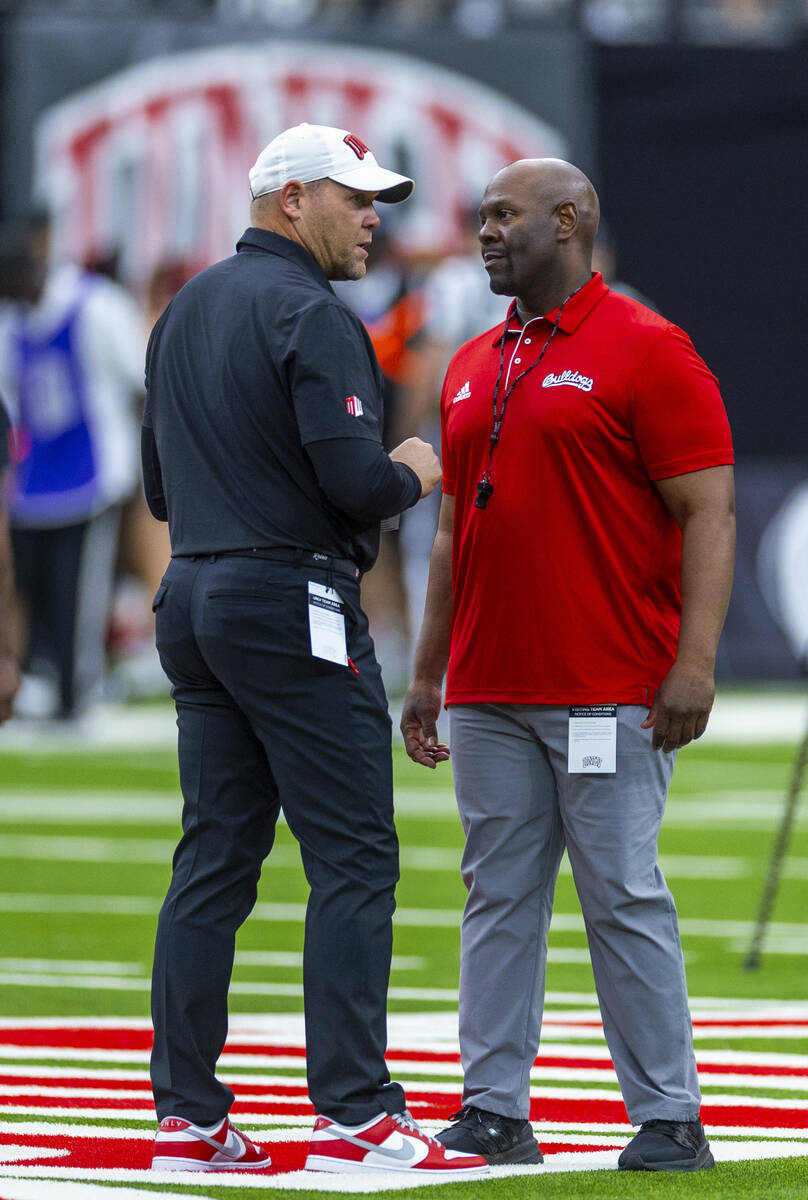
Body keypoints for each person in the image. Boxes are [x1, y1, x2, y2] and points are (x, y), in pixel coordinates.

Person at [142, 122, 488, 1179]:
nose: (373, 216)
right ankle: (355, 1115)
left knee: (212, 861)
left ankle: (188, 1118)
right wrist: (416, 471)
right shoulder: (309, 311)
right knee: (353, 854)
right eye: (354, 196)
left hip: (191, 592)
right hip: (287, 595)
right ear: (292, 198)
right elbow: (355, 483)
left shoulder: (185, 309)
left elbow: (159, 492)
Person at [401, 158, 735, 1173]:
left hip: (609, 685)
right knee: (495, 893)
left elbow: (709, 511)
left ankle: (670, 1115)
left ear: (572, 221)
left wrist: (696, 664)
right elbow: (454, 532)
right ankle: (494, 1108)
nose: (485, 232)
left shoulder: (647, 347)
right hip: (492, 688)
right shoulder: (469, 363)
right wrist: (425, 675)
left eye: (504, 216)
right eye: (480, 217)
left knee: (619, 891)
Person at [0, 216, 145, 719]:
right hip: (33, 479)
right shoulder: (12, 321)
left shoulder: (95, 305)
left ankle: (77, 688)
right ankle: (41, 675)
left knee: (78, 588)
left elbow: (141, 379)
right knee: (34, 587)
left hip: (91, 472)